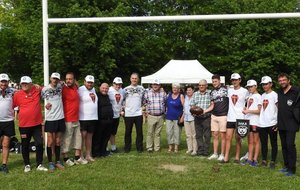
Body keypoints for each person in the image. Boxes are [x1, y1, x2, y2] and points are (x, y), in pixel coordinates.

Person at [13, 76, 48, 172]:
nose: (24, 85)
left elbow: (47, 88)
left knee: (40, 143)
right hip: (24, 125)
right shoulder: (17, 94)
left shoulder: (36, 90)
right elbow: (12, 106)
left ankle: (39, 164)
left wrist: (39, 86)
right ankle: (27, 164)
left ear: (31, 84)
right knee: (25, 145)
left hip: (36, 124)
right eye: (22, 83)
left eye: (26, 83)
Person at [62, 72, 87, 166]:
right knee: (67, 139)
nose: (68, 80)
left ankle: (77, 157)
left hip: (77, 117)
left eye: (70, 79)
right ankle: (65, 158)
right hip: (67, 118)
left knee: (78, 138)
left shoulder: (76, 87)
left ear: (74, 80)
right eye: (67, 79)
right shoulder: (63, 89)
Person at [41, 72, 65, 171]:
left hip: (60, 117)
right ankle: (50, 162)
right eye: (53, 78)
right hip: (50, 118)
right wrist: (46, 105)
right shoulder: (44, 89)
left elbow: (71, 83)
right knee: (50, 142)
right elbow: (41, 100)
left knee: (58, 141)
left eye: (57, 79)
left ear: (59, 80)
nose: (55, 80)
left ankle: (58, 161)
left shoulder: (61, 86)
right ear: (50, 78)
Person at [277, 73, 300, 176]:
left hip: (292, 122)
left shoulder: (296, 91)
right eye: (280, 80)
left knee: (290, 145)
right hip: (281, 123)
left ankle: (292, 169)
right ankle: (286, 166)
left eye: (284, 80)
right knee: (284, 146)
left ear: (288, 80)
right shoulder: (279, 92)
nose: (282, 82)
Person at [224, 73, 248, 163]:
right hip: (230, 117)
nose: (234, 81)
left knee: (238, 138)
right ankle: (226, 157)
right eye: (233, 80)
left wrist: (246, 109)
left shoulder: (245, 91)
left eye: (236, 80)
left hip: (240, 118)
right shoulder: (229, 90)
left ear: (240, 80)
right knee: (228, 137)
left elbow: (249, 101)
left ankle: (237, 157)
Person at [204, 74, 228, 161]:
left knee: (223, 136)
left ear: (219, 81)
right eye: (213, 82)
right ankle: (215, 153)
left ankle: (222, 154)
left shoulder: (226, 89)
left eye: (215, 81)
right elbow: (212, 105)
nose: (214, 83)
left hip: (223, 115)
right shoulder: (212, 92)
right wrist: (204, 111)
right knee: (215, 135)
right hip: (214, 116)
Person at [258, 76, 278, 169]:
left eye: (266, 84)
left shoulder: (275, 95)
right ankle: (264, 160)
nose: (264, 86)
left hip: (272, 123)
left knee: (273, 143)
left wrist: (278, 122)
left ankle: (273, 161)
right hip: (262, 123)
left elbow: (279, 109)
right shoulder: (262, 95)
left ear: (271, 84)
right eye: (263, 84)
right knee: (264, 143)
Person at [143, 79, 167, 152]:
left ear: (159, 85)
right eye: (154, 84)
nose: (155, 86)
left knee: (157, 133)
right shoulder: (147, 93)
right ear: (152, 85)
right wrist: (145, 111)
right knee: (150, 133)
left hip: (160, 116)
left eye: (157, 84)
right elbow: (144, 102)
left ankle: (157, 148)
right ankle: (149, 148)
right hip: (151, 115)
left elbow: (166, 103)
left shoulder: (163, 93)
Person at [123, 73, 145, 153]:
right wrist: (122, 110)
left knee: (139, 132)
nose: (134, 80)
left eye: (136, 78)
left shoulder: (142, 88)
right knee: (128, 132)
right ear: (130, 79)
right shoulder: (125, 89)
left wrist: (144, 107)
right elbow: (122, 101)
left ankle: (139, 148)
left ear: (138, 79)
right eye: (133, 78)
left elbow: (144, 99)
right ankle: (127, 148)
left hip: (138, 113)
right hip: (128, 114)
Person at [242, 79, 261, 167]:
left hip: (255, 121)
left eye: (251, 86)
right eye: (248, 87)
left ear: (256, 86)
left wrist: (248, 111)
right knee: (250, 141)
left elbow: (259, 111)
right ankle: (249, 159)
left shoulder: (259, 96)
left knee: (256, 141)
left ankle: (255, 159)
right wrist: (245, 110)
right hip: (248, 121)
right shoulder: (250, 96)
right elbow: (248, 107)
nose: (250, 88)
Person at [78, 75, 98, 162]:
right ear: (84, 82)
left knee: (89, 137)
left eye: (91, 82)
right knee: (82, 137)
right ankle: (80, 155)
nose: (89, 84)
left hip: (93, 117)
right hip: (83, 117)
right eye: (88, 82)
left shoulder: (94, 89)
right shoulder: (80, 89)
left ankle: (88, 155)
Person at [190, 79, 211, 157]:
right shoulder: (195, 94)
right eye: (200, 85)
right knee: (198, 135)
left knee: (207, 135)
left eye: (203, 85)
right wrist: (193, 112)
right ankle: (200, 150)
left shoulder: (210, 93)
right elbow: (192, 104)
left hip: (206, 117)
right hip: (197, 117)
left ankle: (206, 150)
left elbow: (213, 104)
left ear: (206, 85)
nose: (201, 86)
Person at [0, 73, 16, 173]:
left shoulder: (13, 91)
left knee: (6, 144)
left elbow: (25, 89)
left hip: (8, 121)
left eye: (5, 81)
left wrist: (35, 86)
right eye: (2, 81)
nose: (3, 83)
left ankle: (4, 165)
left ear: (8, 82)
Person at [92, 83, 113, 157]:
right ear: (99, 88)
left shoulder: (108, 96)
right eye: (103, 88)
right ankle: (96, 153)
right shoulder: (96, 96)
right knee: (97, 137)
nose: (104, 90)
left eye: (106, 88)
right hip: (100, 121)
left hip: (108, 120)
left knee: (106, 137)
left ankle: (103, 151)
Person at [166, 83, 184, 153]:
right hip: (168, 117)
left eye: (176, 88)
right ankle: (170, 146)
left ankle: (176, 147)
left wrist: (182, 117)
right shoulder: (169, 95)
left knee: (177, 133)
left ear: (179, 89)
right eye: (173, 88)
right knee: (168, 132)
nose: (175, 89)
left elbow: (184, 107)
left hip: (178, 118)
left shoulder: (181, 96)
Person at [108, 77, 124, 152]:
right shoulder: (109, 90)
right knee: (107, 132)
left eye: (120, 84)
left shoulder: (122, 91)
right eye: (116, 84)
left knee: (113, 133)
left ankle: (113, 147)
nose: (118, 86)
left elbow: (122, 102)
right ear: (113, 83)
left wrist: (122, 110)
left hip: (117, 115)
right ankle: (105, 147)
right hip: (109, 115)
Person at [183, 85, 197, 155]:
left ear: (193, 90)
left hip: (193, 118)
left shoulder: (195, 97)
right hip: (186, 118)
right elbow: (184, 109)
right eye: (187, 90)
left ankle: (195, 149)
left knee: (194, 135)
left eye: (190, 90)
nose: (188, 91)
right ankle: (190, 149)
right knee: (188, 135)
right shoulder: (185, 98)